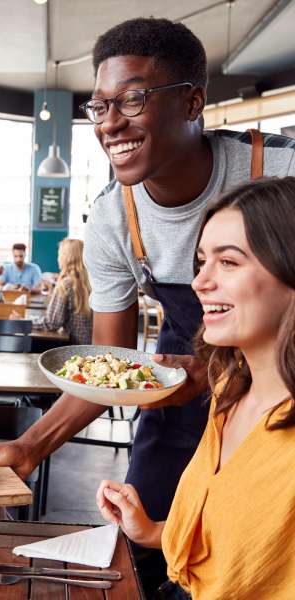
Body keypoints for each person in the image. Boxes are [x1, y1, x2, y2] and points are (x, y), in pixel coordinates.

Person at [0, 17, 295, 596]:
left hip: (284, 388)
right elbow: (112, 361)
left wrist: (233, 369)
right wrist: (30, 445)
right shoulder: (110, 218)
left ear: (193, 101)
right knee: (150, 551)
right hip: (183, 395)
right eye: (99, 106)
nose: (111, 123)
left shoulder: (283, 171)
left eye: (133, 98)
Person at [97, 177, 295, 600]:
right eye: (202, 262)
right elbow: (227, 543)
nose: (199, 283)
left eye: (229, 262)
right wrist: (150, 531)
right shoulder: (229, 390)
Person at [33, 239, 93, 345]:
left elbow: (52, 323)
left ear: (67, 257)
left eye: (60, 254)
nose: (58, 258)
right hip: (90, 346)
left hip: (72, 349)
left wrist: (25, 322)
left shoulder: (66, 284)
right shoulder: (90, 282)